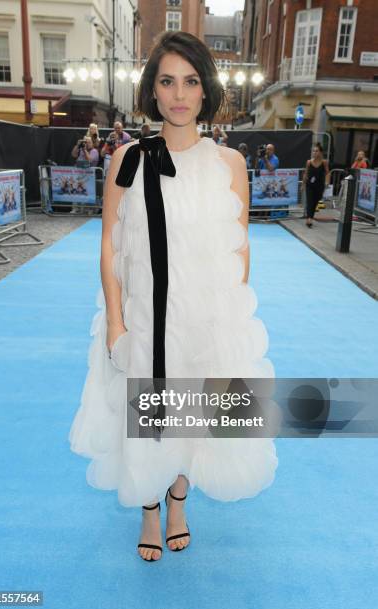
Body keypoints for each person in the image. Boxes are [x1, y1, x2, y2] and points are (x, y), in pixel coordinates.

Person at [68, 30, 278, 562]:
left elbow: (240, 245)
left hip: (207, 315)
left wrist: (233, 316)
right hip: (145, 317)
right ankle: (148, 507)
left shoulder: (229, 165)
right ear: (153, 92)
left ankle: (178, 498)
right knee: (149, 414)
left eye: (190, 81)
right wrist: (116, 321)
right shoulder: (127, 160)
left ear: (205, 91)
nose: (180, 94)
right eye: (168, 81)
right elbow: (110, 247)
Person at [302, 142, 330, 228]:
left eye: (316, 151)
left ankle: (310, 216)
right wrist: (303, 184)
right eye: (313, 151)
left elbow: (327, 173)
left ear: (320, 152)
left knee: (315, 202)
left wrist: (327, 182)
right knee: (310, 201)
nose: (314, 153)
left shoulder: (324, 162)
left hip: (319, 186)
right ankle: (309, 219)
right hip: (309, 185)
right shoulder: (309, 162)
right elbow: (305, 174)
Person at [70, 136, 99, 214]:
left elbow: (89, 160)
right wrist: (77, 145)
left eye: (89, 142)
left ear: (92, 143)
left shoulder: (94, 151)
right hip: (78, 173)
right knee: (75, 190)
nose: (87, 144)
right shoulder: (81, 150)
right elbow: (73, 155)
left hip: (89, 176)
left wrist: (84, 150)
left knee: (87, 192)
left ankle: (87, 209)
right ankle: (75, 208)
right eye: (85, 142)